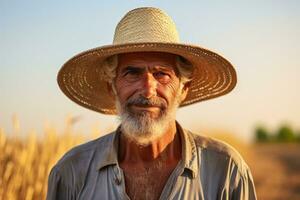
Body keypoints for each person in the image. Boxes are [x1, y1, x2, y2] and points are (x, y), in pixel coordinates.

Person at [47, 7, 256, 200]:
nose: (148, 90)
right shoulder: (72, 173)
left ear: (184, 89)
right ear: (111, 87)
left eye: (162, 74)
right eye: (132, 73)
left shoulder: (225, 171)